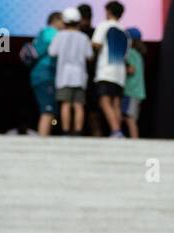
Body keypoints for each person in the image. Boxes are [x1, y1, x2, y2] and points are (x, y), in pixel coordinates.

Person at [50, 9, 93, 135]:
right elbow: (89, 56)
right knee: (79, 105)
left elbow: (52, 52)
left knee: (65, 104)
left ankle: (66, 132)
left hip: (64, 75)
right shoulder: (84, 37)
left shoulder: (59, 35)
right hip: (79, 75)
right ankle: (78, 132)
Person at [91, 1, 129, 138]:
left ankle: (116, 130)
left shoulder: (104, 25)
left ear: (108, 12)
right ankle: (118, 130)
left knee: (104, 101)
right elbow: (125, 56)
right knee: (116, 104)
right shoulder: (125, 32)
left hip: (106, 72)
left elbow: (96, 44)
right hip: (120, 74)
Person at [30, 11, 63, 136]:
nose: (65, 25)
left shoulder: (42, 33)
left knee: (48, 110)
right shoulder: (52, 33)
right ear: (55, 21)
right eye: (63, 21)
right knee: (47, 111)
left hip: (40, 76)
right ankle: (42, 143)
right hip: (45, 75)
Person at [122, 27, 146, 140]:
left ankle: (134, 140)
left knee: (129, 117)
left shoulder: (130, 53)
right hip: (137, 92)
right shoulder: (138, 54)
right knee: (128, 116)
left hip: (131, 91)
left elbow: (131, 70)